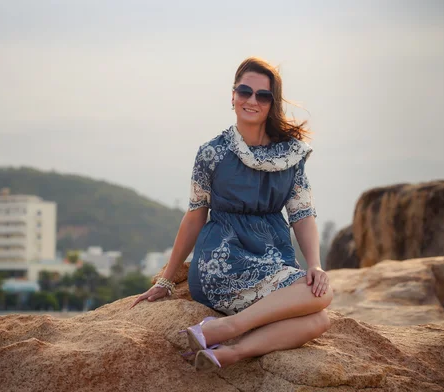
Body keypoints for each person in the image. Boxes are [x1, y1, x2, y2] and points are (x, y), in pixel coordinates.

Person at [131, 57, 333, 371]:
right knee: (317, 301)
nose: (252, 100)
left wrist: (316, 265)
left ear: (272, 103)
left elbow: (302, 213)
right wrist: (166, 280)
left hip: (271, 258)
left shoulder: (290, 153)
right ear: (233, 95)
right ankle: (225, 329)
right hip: (221, 259)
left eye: (262, 95)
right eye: (244, 91)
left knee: (319, 316)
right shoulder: (212, 152)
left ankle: (228, 350)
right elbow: (195, 215)